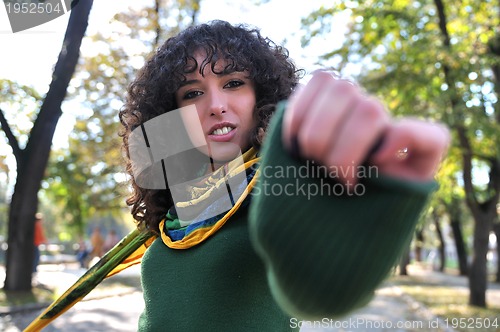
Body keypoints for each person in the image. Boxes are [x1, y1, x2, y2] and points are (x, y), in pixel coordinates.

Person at [116, 20, 449, 331]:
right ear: (172, 115)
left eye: (233, 84)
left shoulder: (281, 189)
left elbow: (316, 288)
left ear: (262, 97)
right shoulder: (177, 208)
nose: (216, 104)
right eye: (192, 93)